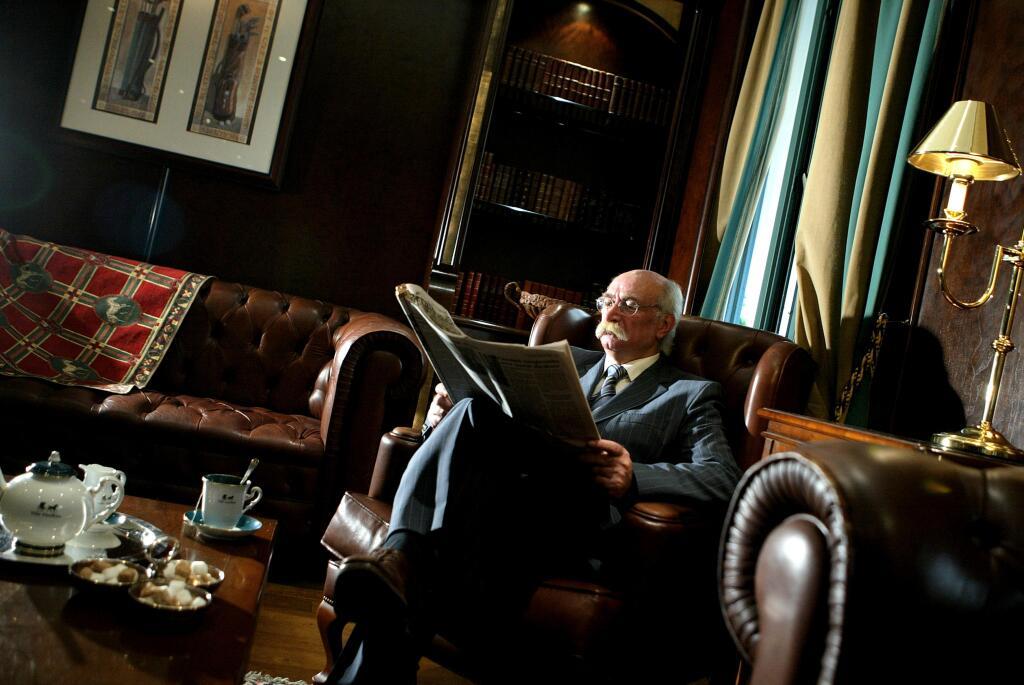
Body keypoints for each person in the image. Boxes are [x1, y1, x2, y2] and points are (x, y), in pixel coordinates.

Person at [326, 269, 742, 683]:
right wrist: (439, 417)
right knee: (470, 410)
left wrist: (635, 477)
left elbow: (723, 476)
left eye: (629, 305)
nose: (612, 312)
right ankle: (399, 580)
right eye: (607, 300)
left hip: (573, 524)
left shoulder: (689, 393)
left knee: (436, 540)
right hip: (497, 501)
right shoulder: (567, 360)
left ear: (664, 324)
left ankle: (399, 556)